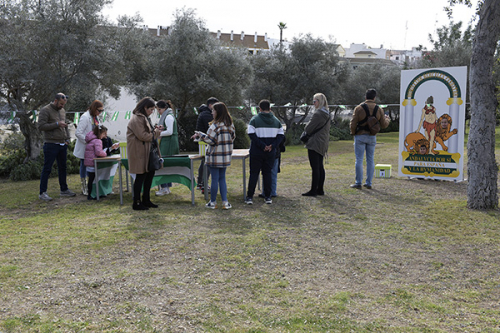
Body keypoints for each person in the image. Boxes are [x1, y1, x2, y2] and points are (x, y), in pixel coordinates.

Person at [192, 102, 235, 209]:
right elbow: (233, 137)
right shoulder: (230, 125)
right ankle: (225, 202)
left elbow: (210, 140)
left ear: (218, 112)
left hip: (214, 156)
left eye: (213, 110)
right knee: (222, 179)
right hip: (225, 156)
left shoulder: (214, 126)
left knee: (214, 179)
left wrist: (200, 135)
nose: (212, 113)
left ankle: (213, 202)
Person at [126, 97, 163, 210]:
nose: (152, 112)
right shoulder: (137, 118)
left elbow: (147, 133)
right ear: (145, 107)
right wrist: (156, 132)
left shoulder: (144, 118)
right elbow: (143, 136)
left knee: (149, 176)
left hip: (147, 152)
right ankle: (136, 202)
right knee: (140, 177)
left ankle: (146, 200)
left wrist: (155, 130)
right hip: (140, 153)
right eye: (151, 109)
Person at [245, 99, 284, 205]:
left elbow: (251, 134)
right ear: (270, 109)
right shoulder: (277, 121)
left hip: (257, 151)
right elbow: (281, 135)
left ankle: (249, 197)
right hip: (270, 152)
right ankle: (268, 197)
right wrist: (272, 146)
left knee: (254, 173)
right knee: (267, 174)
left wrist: (262, 146)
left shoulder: (254, 120)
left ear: (260, 109)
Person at [38, 93, 76, 201]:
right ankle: (42, 192)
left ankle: (64, 190)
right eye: (61, 104)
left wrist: (68, 138)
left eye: (64, 104)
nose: (62, 106)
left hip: (62, 143)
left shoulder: (62, 111)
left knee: (63, 168)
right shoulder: (45, 110)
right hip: (51, 144)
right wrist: (56, 124)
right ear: (55, 100)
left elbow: (64, 126)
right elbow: (41, 126)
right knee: (47, 168)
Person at [349, 89, 390, 189]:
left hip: (360, 136)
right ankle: (369, 183)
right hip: (372, 136)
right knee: (370, 159)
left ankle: (358, 182)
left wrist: (353, 133)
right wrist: (387, 119)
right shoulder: (379, 109)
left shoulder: (358, 108)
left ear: (365, 97)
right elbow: (384, 125)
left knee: (359, 159)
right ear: (374, 97)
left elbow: (353, 123)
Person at [302, 93, 331, 197]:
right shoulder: (327, 113)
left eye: (315, 101)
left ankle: (313, 190)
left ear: (319, 101)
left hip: (315, 142)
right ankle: (320, 189)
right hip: (323, 142)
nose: (313, 103)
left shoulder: (318, 114)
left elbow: (308, 128)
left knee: (315, 167)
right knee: (320, 166)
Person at [73, 100, 104, 195]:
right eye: (99, 110)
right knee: (84, 165)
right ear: (94, 108)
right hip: (85, 146)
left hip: (93, 147)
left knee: (92, 166)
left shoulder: (95, 118)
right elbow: (78, 133)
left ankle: (93, 185)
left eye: (102, 111)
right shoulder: (85, 117)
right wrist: (88, 141)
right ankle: (84, 186)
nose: (100, 113)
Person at [155, 100, 179, 196]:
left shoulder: (168, 116)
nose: (159, 112)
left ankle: (164, 188)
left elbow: (169, 131)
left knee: (162, 165)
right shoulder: (168, 115)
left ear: (164, 108)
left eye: (159, 109)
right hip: (168, 142)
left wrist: (157, 134)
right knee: (166, 166)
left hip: (168, 143)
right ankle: (166, 188)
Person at [195, 97, 219, 192]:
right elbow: (211, 128)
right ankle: (204, 184)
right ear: (210, 105)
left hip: (203, 141)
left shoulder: (204, 113)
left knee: (204, 162)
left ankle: (200, 183)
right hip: (205, 141)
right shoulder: (207, 115)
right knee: (207, 163)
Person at [84, 125, 108, 200]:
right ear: (100, 133)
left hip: (89, 163)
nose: (104, 136)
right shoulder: (98, 141)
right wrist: (105, 153)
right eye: (104, 134)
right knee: (94, 180)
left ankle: (90, 194)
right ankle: (92, 194)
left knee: (91, 179)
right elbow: (98, 152)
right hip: (93, 163)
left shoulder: (91, 140)